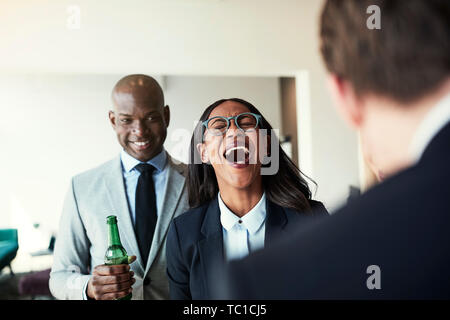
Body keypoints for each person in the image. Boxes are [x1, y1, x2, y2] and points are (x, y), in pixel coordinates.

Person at [224, 0, 450, 299]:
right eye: (220, 128)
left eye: (246, 126)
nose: (235, 135)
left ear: (342, 95)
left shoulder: (284, 275)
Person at [165, 98, 328, 299]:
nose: (234, 131)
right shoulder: (183, 234)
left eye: (246, 123)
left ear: (266, 146)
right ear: (204, 153)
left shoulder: (311, 219)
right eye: (219, 126)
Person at [49, 74, 189, 300]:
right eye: (126, 120)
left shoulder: (200, 181)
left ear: (166, 116)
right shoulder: (82, 187)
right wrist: (89, 286)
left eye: (151, 118)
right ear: (113, 120)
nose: (140, 131)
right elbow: (60, 276)